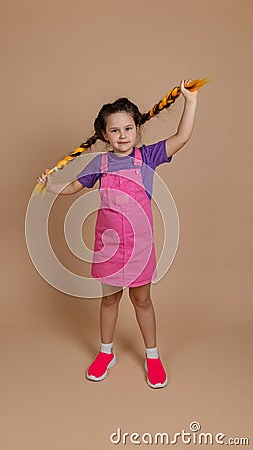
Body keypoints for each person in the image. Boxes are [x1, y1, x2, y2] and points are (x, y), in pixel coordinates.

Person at [37, 79, 198, 388]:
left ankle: (152, 356)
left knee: (142, 301)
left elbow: (182, 136)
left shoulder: (147, 158)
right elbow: (73, 186)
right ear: (104, 135)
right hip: (108, 248)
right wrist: (50, 185)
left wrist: (190, 102)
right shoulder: (98, 163)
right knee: (109, 300)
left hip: (140, 248)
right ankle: (106, 352)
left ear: (137, 130)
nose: (122, 135)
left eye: (128, 128)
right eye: (114, 130)